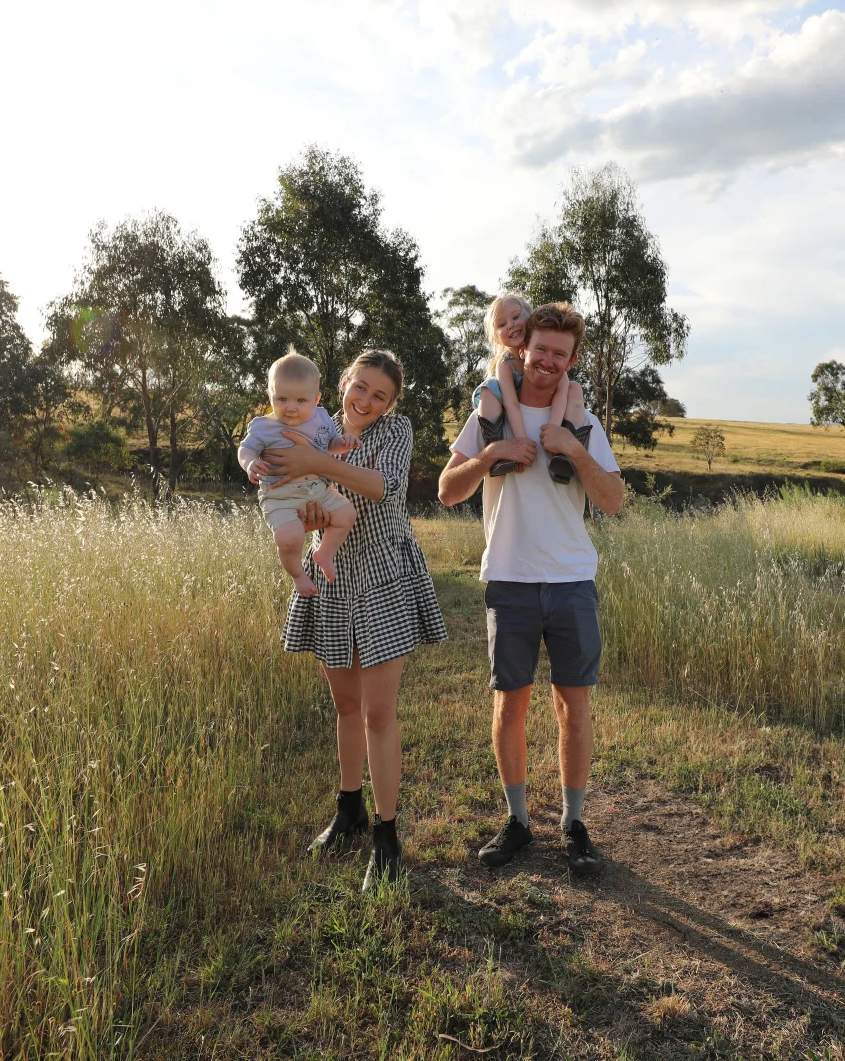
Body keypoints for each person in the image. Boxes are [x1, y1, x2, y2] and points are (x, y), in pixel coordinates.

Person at [437, 302, 624, 876]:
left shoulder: (583, 421)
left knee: (574, 706)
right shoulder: (490, 412)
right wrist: (492, 454)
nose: (546, 360)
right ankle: (518, 822)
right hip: (511, 577)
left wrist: (570, 449)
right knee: (510, 703)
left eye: (559, 354)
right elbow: (448, 491)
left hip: (571, 579)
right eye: (539, 349)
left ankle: (574, 824)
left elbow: (613, 500)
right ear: (524, 348)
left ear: (571, 360)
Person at [259, 349, 448, 892]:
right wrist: (303, 508)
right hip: (332, 572)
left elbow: (378, 486)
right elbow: (283, 487)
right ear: (341, 384)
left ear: (391, 403)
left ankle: (387, 836)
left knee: (379, 713)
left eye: (379, 395)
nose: (365, 400)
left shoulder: (394, 431)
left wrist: (315, 466)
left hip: (384, 572)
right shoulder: (310, 424)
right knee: (345, 704)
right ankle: (350, 811)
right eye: (359, 387)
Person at [238, 350, 361, 596]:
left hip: (318, 490)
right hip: (279, 495)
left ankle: (324, 552)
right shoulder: (264, 426)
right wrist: (250, 463)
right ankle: (298, 576)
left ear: (316, 400)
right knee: (289, 538)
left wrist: (344, 442)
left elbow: (331, 444)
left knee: (347, 514)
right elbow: (245, 449)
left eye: (300, 401)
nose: (291, 408)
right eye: (282, 399)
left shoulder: (322, 418)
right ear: (269, 396)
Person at [473, 293, 591, 483]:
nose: (510, 325)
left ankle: (566, 453)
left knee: (574, 388)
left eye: (515, 316)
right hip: (509, 404)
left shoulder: (551, 361)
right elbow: (511, 402)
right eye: (501, 324)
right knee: (489, 389)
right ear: (496, 336)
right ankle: (497, 450)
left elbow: (561, 392)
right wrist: (520, 443)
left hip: (548, 407)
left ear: (530, 318)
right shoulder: (504, 364)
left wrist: (553, 430)